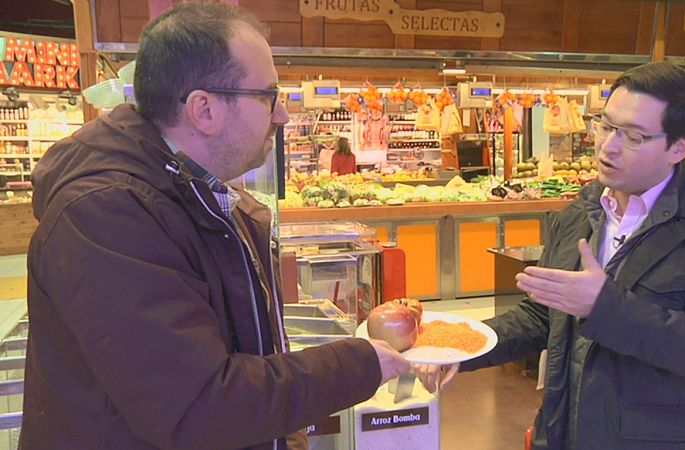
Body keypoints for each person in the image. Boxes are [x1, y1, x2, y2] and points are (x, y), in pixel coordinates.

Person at [21, 4, 409, 450]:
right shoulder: (106, 214)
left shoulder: (200, 196)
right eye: (269, 96)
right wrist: (360, 364)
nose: (281, 116)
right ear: (203, 109)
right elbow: (199, 405)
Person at [417, 62, 685, 450]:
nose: (607, 146)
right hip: (565, 431)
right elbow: (542, 316)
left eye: (633, 136)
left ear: (681, 146)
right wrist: (461, 350)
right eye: (605, 125)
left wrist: (605, 306)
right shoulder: (579, 214)